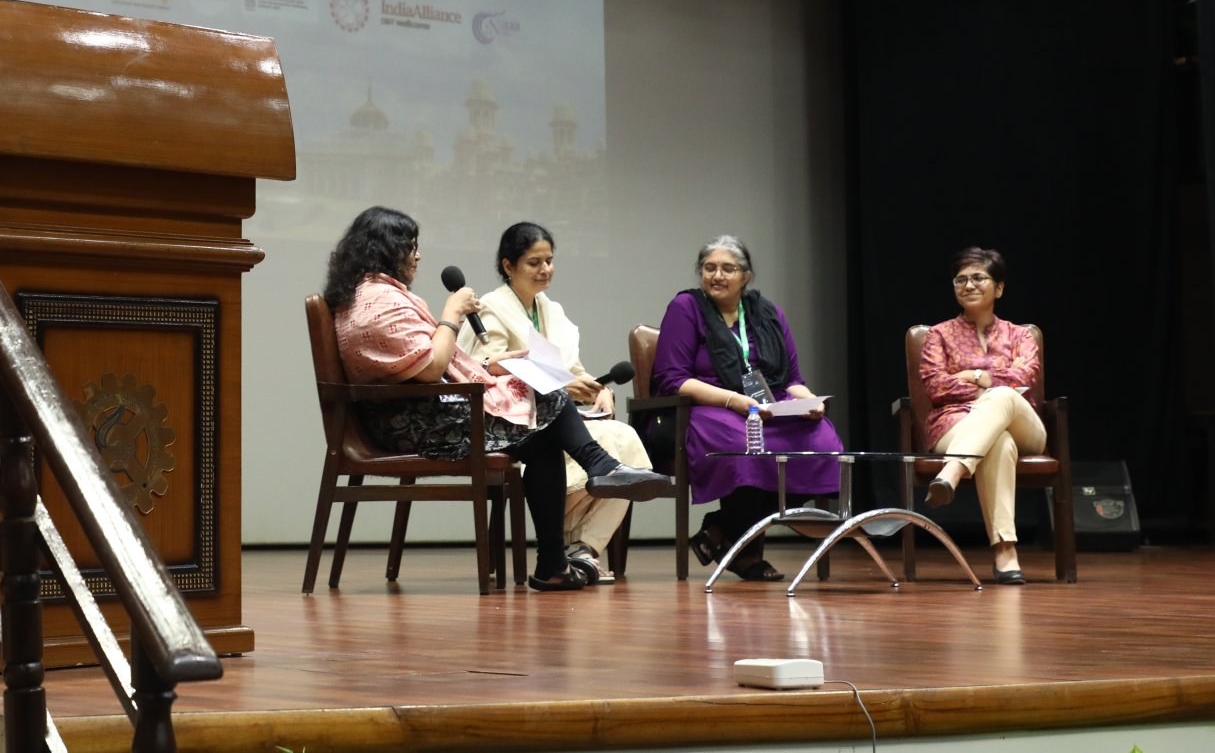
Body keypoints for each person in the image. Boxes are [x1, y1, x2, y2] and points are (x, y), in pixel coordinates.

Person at [324, 206, 670, 592]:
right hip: (411, 425)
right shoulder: (379, 303)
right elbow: (430, 369)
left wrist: (497, 364)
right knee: (548, 399)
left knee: (542, 439)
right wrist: (452, 314)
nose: (417, 255)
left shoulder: (369, 295)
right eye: (411, 246)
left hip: (413, 415)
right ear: (385, 248)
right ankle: (598, 468)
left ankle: (554, 564)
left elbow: (432, 362)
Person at [457, 221, 655, 583]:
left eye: (549, 260)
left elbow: (573, 369)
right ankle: (575, 545)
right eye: (534, 262)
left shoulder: (552, 309)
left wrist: (597, 389)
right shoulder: (490, 309)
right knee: (612, 445)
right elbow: (488, 372)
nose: (545, 269)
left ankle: (582, 550)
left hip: (555, 412)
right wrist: (564, 383)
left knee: (623, 436)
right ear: (508, 266)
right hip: (511, 418)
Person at [647, 235, 841, 581]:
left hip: (767, 404)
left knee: (822, 441)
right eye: (709, 268)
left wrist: (809, 402)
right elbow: (672, 379)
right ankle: (745, 552)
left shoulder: (767, 312)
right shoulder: (686, 308)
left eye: (727, 268)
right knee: (746, 440)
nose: (717, 275)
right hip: (708, 406)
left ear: (746, 276)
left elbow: (791, 378)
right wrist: (732, 400)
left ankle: (723, 529)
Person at [918, 246, 1044, 584]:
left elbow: (1025, 380)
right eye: (961, 280)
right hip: (954, 424)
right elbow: (935, 388)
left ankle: (953, 471)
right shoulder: (938, 335)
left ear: (998, 288)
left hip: (1022, 423)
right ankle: (1006, 552)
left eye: (978, 278)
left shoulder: (1021, 336)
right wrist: (984, 379)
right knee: (997, 442)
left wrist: (972, 377)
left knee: (1002, 397)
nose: (968, 285)